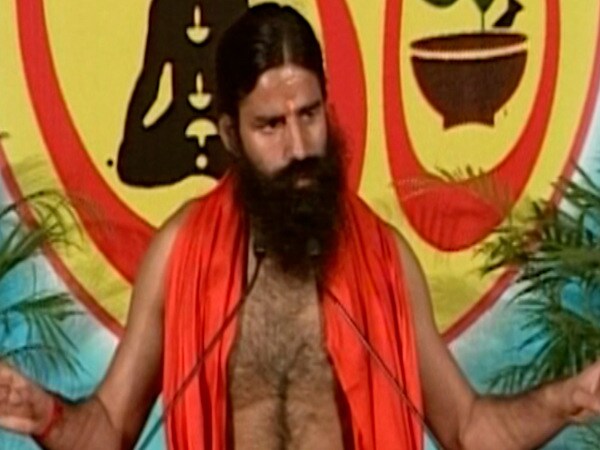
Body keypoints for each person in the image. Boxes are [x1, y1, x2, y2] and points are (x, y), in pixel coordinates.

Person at [2, 4, 600, 450]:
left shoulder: (384, 259)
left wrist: (566, 399)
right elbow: (109, 428)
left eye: (309, 115)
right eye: (271, 126)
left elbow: (468, 429)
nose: (299, 147)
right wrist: (48, 416)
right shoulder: (181, 253)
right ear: (230, 133)